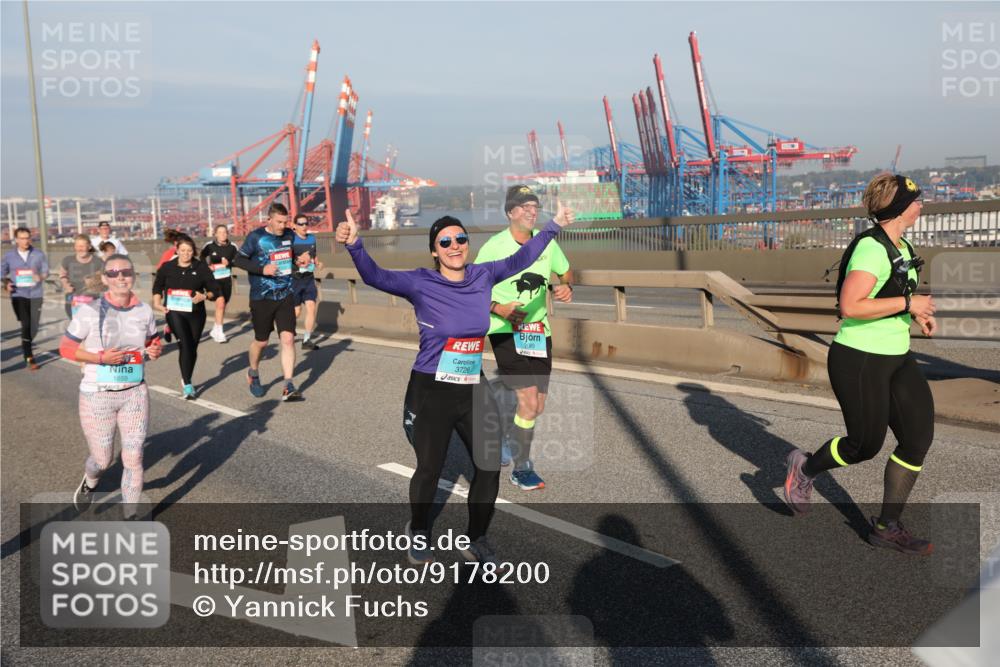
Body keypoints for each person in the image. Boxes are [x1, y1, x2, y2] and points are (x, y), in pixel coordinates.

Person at [336, 202, 575, 566]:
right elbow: (376, 277)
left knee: (490, 463)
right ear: (434, 250)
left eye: (460, 239)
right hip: (431, 389)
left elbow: (523, 257)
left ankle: (477, 538)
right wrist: (355, 245)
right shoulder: (421, 282)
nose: (454, 246)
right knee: (430, 467)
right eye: (445, 242)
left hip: (471, 386)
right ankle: (418, 529)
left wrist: (554, 224)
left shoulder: (482, 276)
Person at [784, 173, 937, 555]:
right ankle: (805, 469)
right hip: (860, 358)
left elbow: (894, 292)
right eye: (917, 200)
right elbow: (851, 306)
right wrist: (908, 304)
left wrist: (915, 313)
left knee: (917, 439)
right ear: (901, 207)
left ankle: (887, 526)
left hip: (897, 356)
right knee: (863, 445)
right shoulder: (871, 249)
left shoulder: (901, 244)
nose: (922, 206)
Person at [474, 185, 573, 491]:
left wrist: (565, 287)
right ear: (509, 213)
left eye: (535, 206)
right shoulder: (493, 248)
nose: (531, 211)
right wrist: (498, 309)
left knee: (537, 406)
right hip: (506, 331)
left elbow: (566, 273)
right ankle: (522, 467)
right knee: (528, 402)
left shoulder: (547, 244)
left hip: (538, 333)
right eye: (524, 206)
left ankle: (504, 435)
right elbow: (473, 291)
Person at [59, 254, 163, 515]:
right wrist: (99, 357)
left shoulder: (144, 310)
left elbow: (152, 340)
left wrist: (154, 349)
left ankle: (131, 515)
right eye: (114, 273)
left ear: (134, 276)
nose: (121, 277)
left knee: (134, 457)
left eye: (126, 272)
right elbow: (66, 348)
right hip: (98, 395)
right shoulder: (90, 311)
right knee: (102, 460)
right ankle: (90, 481)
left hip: (134, 392)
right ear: (105, 279)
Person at [233, 202, 302, 401]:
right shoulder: (256, 237)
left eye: (285, 222)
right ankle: (253, 372)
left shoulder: (289, 235)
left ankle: (288, 384)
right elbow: (239, 260)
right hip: (261, 297)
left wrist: (300, 260)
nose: (283, 226)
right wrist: (263, 270)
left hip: (285, 294)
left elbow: (291, 257)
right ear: (269, 220)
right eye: (279, 222)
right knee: (262, 341)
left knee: (288, 339)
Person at [152, 237, 219, 399]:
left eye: (189, 251)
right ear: (177, 251)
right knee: (185, 343)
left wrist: (204, 296)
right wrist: (157, 303)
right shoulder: (168, 267)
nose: (186, 254)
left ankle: (186, 375)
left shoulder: (201, 267)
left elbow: (214, 290)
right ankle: (188, 384)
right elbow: (158, 285)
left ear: (193, 252)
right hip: (174, 311)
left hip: (196, 313)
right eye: (182, 250)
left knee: (192, 347)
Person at [2, 227, 49, 370]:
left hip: (36, 294)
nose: (26, 241)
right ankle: (29, 356)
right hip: (18, 294)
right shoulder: (9, 256)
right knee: (26, 324)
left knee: (33, 327)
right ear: (16, 240)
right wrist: (6, 284)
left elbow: (46, 272)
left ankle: (26, 343)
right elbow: (1, 273)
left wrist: (40, 277)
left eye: (28, 237)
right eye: (22, 238)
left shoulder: (39, 254)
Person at [290, 213, 325, 350]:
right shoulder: (291, 240)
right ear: (294, 226)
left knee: (311, 307)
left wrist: (318, 263)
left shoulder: (311, 238)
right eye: (301, 224)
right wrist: (298, 261)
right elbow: (286, 259)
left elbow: (314, 256)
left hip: (309, 279)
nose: (304, 226)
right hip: (295, 279)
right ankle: (288, 329)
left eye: (306, 223)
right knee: (297, 311)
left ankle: (307, 340)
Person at [201, 224, 238, 343]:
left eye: (225, 232)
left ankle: (215, 329)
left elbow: (238, 260)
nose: (222, 234)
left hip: (226, 279)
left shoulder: (233, 247)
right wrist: (208, 266)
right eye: (220, 232)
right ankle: (220, 332)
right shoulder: (209, 246)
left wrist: (230, 263)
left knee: (222, 305)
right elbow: (201, 259)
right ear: (215, 234)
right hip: (213, 280)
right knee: (220, 303)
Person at [59, 233, 104, 319]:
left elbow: (104, 279)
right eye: (78, 246)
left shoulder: (98, 262)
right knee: (76, 326)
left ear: (89, 247)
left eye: (83, 246)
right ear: (75, 247)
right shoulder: (67, 260)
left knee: (91, 327)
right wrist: (66, 285)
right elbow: (62, 274)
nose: (80, 249)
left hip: (92, 299)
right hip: (72, 299)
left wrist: (94, 282)